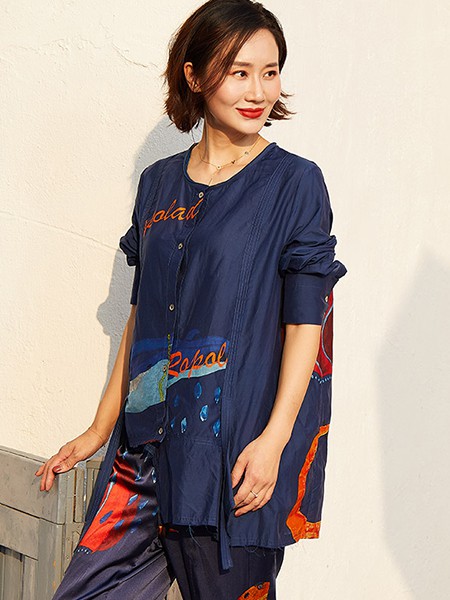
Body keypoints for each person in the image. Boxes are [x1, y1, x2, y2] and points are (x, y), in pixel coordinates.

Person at [35, 1, 347, 598]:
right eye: (238, 72)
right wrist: (100, 428)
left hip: (230, 458)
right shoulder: (158, 183)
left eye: (270, 72)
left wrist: (274, 441)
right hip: (143, 453)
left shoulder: (294, 183)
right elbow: (142, 316)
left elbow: (306, 324)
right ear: (195, 75)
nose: (258, 91)